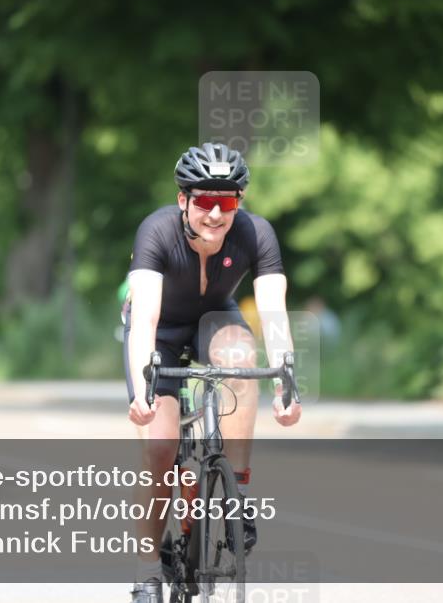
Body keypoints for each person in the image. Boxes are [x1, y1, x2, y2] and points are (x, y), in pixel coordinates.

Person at [123, 142, 301, 603]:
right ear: (183, 200)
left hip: (213, 321)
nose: (216, 214)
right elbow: (143, 319)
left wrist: (286, 380)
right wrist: (141, 392)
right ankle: (147, 571)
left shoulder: (256, 233)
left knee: (241, 355)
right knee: (161, 454)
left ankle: (233, 493)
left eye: (227, 202)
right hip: (159, 329)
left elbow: (274, 313)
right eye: (205, 200)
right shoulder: (156, 231)